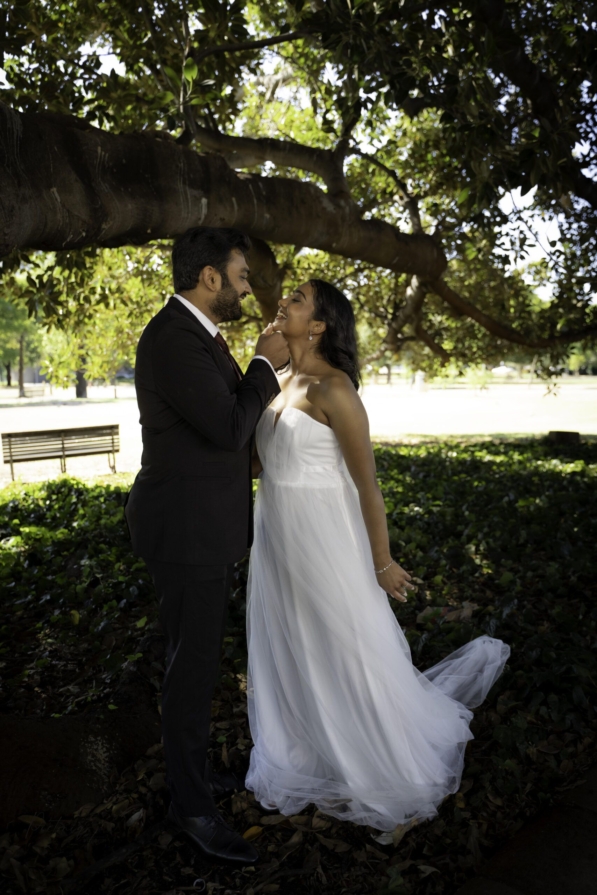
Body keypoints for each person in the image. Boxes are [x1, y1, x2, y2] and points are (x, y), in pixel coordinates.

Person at [245, 279, 510, 832]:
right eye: (286, 296)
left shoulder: (335, 389)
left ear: (318, 325)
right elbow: (255, 466)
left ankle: (383, 759)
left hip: (326, 540)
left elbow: (368, 486)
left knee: (347, 645)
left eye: (296, 300)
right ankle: (309, 749)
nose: (282, 303)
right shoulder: (277, 383)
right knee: (296, 646)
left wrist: (381, 561)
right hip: (277, 538)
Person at [125, 227, 289, 863]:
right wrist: (264, 366)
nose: (249, 285)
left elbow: (221, 427)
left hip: (205, 525)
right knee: (189, 673)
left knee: (194, 665)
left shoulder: (198, 336)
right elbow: (227, 424)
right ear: (211, 277)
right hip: (185, 531)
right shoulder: (173, 339)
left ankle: (193, 778)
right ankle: (192, 808)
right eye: (242, 274)